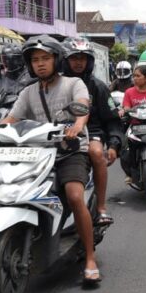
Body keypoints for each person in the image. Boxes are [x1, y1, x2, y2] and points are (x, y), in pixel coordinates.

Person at [0, 35, 102, 285]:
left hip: (70, 150)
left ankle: (90, 258)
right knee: (17, 188)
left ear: (56, 60)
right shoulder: (28, 92)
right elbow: (13, 118)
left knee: (74, 195)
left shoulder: (73, 83)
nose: (40, 64)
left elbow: (83, 107)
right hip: (36, 151)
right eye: (35, 60)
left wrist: (77, 125)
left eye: (45, 58)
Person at [60, 37, 124, 226]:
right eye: (74, 58)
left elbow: (112, 120)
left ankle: (101, 208)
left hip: (91, 132)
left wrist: (113, 144)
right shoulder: (54, 83)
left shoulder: (98, 87)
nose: (79, 62)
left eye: (83, 58)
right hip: (56, 133)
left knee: (96, 153)